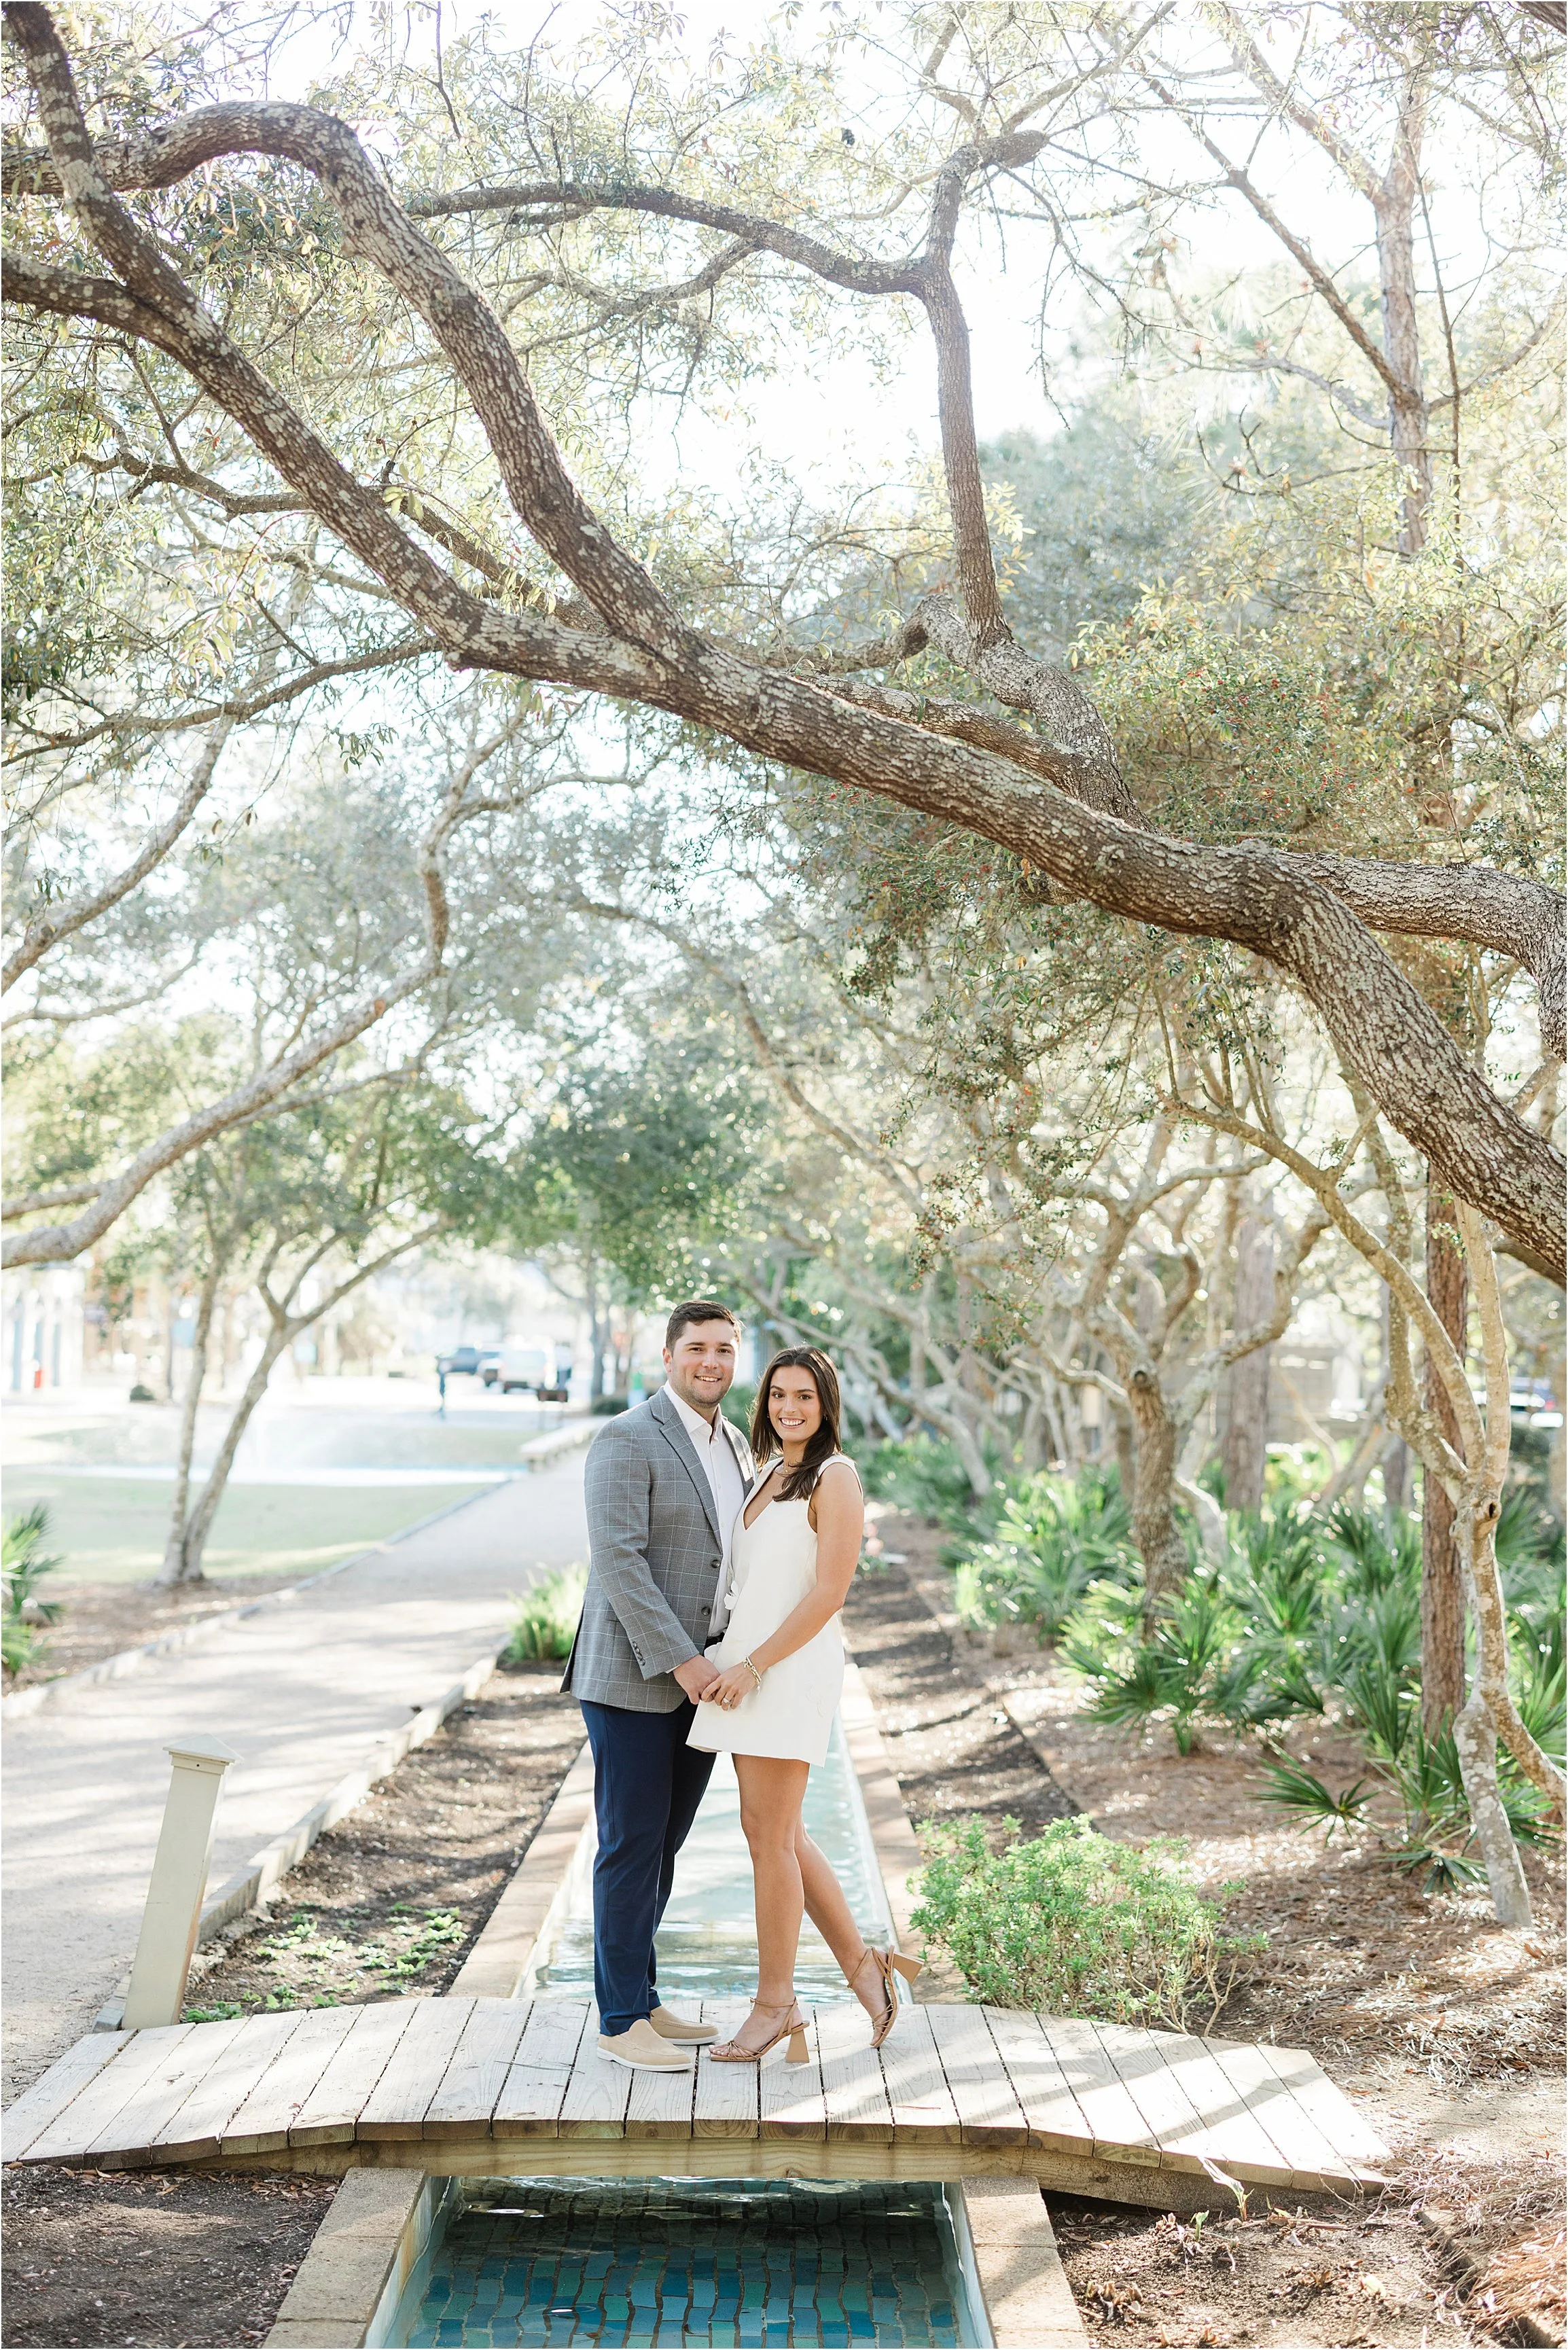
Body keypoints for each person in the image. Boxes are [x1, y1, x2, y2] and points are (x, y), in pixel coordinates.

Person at [688, 1345, 921, 2063]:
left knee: (769, 1837)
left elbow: (830, 1592)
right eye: (779, 1396)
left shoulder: (835, 1476)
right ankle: (865, 1971)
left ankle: (775, 2004)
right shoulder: (769, 1474)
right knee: (778, 1834)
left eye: (805, 1398)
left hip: (784, 1672)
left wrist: (755, 1666)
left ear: (826, 1407)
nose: (790, 1408)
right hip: (748, 1671)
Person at [565, 1300, 754, 2071]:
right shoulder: (626, 1438)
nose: (711, 1362)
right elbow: (619, 1562)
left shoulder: (735, 1442)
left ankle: (642, 1998)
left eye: (724, 1350)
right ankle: (617, 2022)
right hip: (634, 1678)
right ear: (668, 1355)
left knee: (664, 1847)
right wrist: (684, 1661)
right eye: (697, 1348)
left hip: (702, 1679)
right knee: (629, 1844)